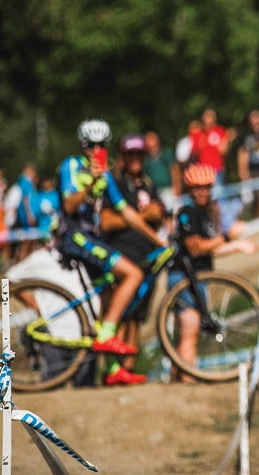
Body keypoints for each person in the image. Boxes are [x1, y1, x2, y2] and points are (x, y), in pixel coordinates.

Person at [54, 119, 167, 367]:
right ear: (83, 146)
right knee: (133, 274)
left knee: (111, 296)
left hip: (92, 239)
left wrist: (158, 239)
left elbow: (127, 213)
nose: (95, 150)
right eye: (91, 146)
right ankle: (105, 336)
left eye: (100, 145)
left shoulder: (106, 174)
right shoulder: (72, 166)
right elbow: (70, 205)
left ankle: (114, 368)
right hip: (73, 236)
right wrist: (92, 182)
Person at [170, 164, 258, 381]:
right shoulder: (187, 213)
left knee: (191, 334)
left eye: (206, 187)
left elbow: (212, 246)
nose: (202, 192)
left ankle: (178, 381)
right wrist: (228, 237)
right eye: (197, 188)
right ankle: (187, 383)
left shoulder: (206, 213)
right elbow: (196, 247)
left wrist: (238, 246)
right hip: (183, 278)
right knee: (190, 330)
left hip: (200, 277)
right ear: (190, 189)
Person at [100, 133, 167, 384]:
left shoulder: (149, 186)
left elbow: (157, 218)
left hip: (147, 257)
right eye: (130, 154)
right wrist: (143, 215)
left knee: (137, 316)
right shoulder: (115, 185)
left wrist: (157, 218)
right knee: (119, 314)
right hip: (122, 256)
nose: (135, 159)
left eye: (139, 154)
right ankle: (112, 369)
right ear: (124, 157)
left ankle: (128, 368)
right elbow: (106, 222)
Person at [143, 130, 181, 214]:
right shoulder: (145, 158)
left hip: (168, 190)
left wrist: (177, 187)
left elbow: (174, 169)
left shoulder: (166, 153)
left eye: (151, 138)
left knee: (171, 212)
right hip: (153, 192)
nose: (149, 141)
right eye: (147, 138)